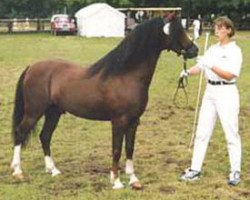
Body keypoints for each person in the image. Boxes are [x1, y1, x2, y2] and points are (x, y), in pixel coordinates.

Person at [179, 16, 243, 186]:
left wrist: (211, 65)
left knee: (231, 134)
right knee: (202, 132)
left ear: (228, 30)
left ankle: (235, 170)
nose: (216, 30)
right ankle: (195, 169)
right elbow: (200, 67)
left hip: (226, 92)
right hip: (210, 92)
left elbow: (230, 74)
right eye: (215, 27)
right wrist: (187, 72)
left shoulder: (234, 51)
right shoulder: (213, 48)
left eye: (220, 27)